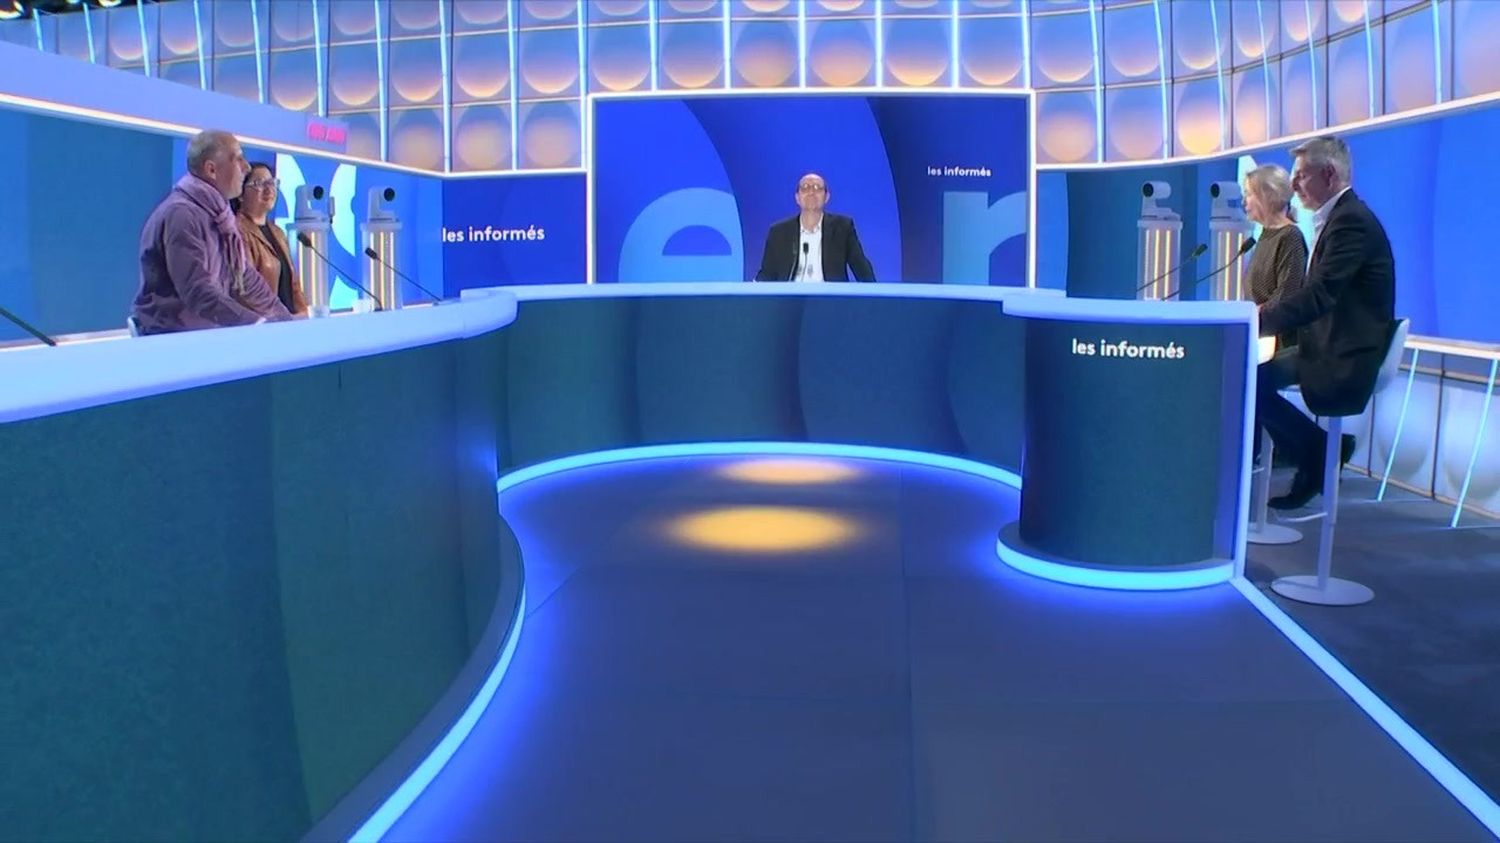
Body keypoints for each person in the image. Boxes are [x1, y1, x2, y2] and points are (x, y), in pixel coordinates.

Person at [1258, 136, 1396, 510]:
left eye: (1302, 176)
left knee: (1252, 383)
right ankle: (1317, 454)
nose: (1293, 185)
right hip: (1323, 345)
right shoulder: (1339, 217)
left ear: (1329, 175)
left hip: (1345, 353)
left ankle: (1318, 454)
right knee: (1251, 381)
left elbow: (1319, 295)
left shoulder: (1351, 222)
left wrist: (1258, 321)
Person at [131, 129, 292, 334]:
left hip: (202, 337)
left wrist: (285, 320)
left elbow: (246, 279)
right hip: (171, 340)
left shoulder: (220, 216)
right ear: (212, 170)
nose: (246, 167)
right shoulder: (182, 215)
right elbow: (198, 292)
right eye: (238, 159)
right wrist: (257, 324)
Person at [754, 173, 875, 282]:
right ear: (797, 198)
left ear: (826, 197)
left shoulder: (842, 228)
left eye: (817, 188)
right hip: (790, 298)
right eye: (805, 187)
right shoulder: (779, 232)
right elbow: (767, 275)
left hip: (830, 297)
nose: (811, 192)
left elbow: (862, 270)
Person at [1241, 164, 1307, 352]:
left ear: (1268, 196)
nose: (1244, 201)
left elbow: (1287, 296)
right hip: (1260, 339)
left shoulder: (1290, 237)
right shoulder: (1265, 235)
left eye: (1249, 194)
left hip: (1279, 345)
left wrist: (1251, 317)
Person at [234, 162, 307, 316]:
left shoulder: (278, 233)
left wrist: (304, 314)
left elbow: (293, 285)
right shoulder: (236, 231)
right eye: (259, 183)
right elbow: (247, 290)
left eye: (272, 183)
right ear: (240, 193)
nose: (269, 189)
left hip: (289, 323)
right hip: (263, 323)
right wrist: (280, 318)